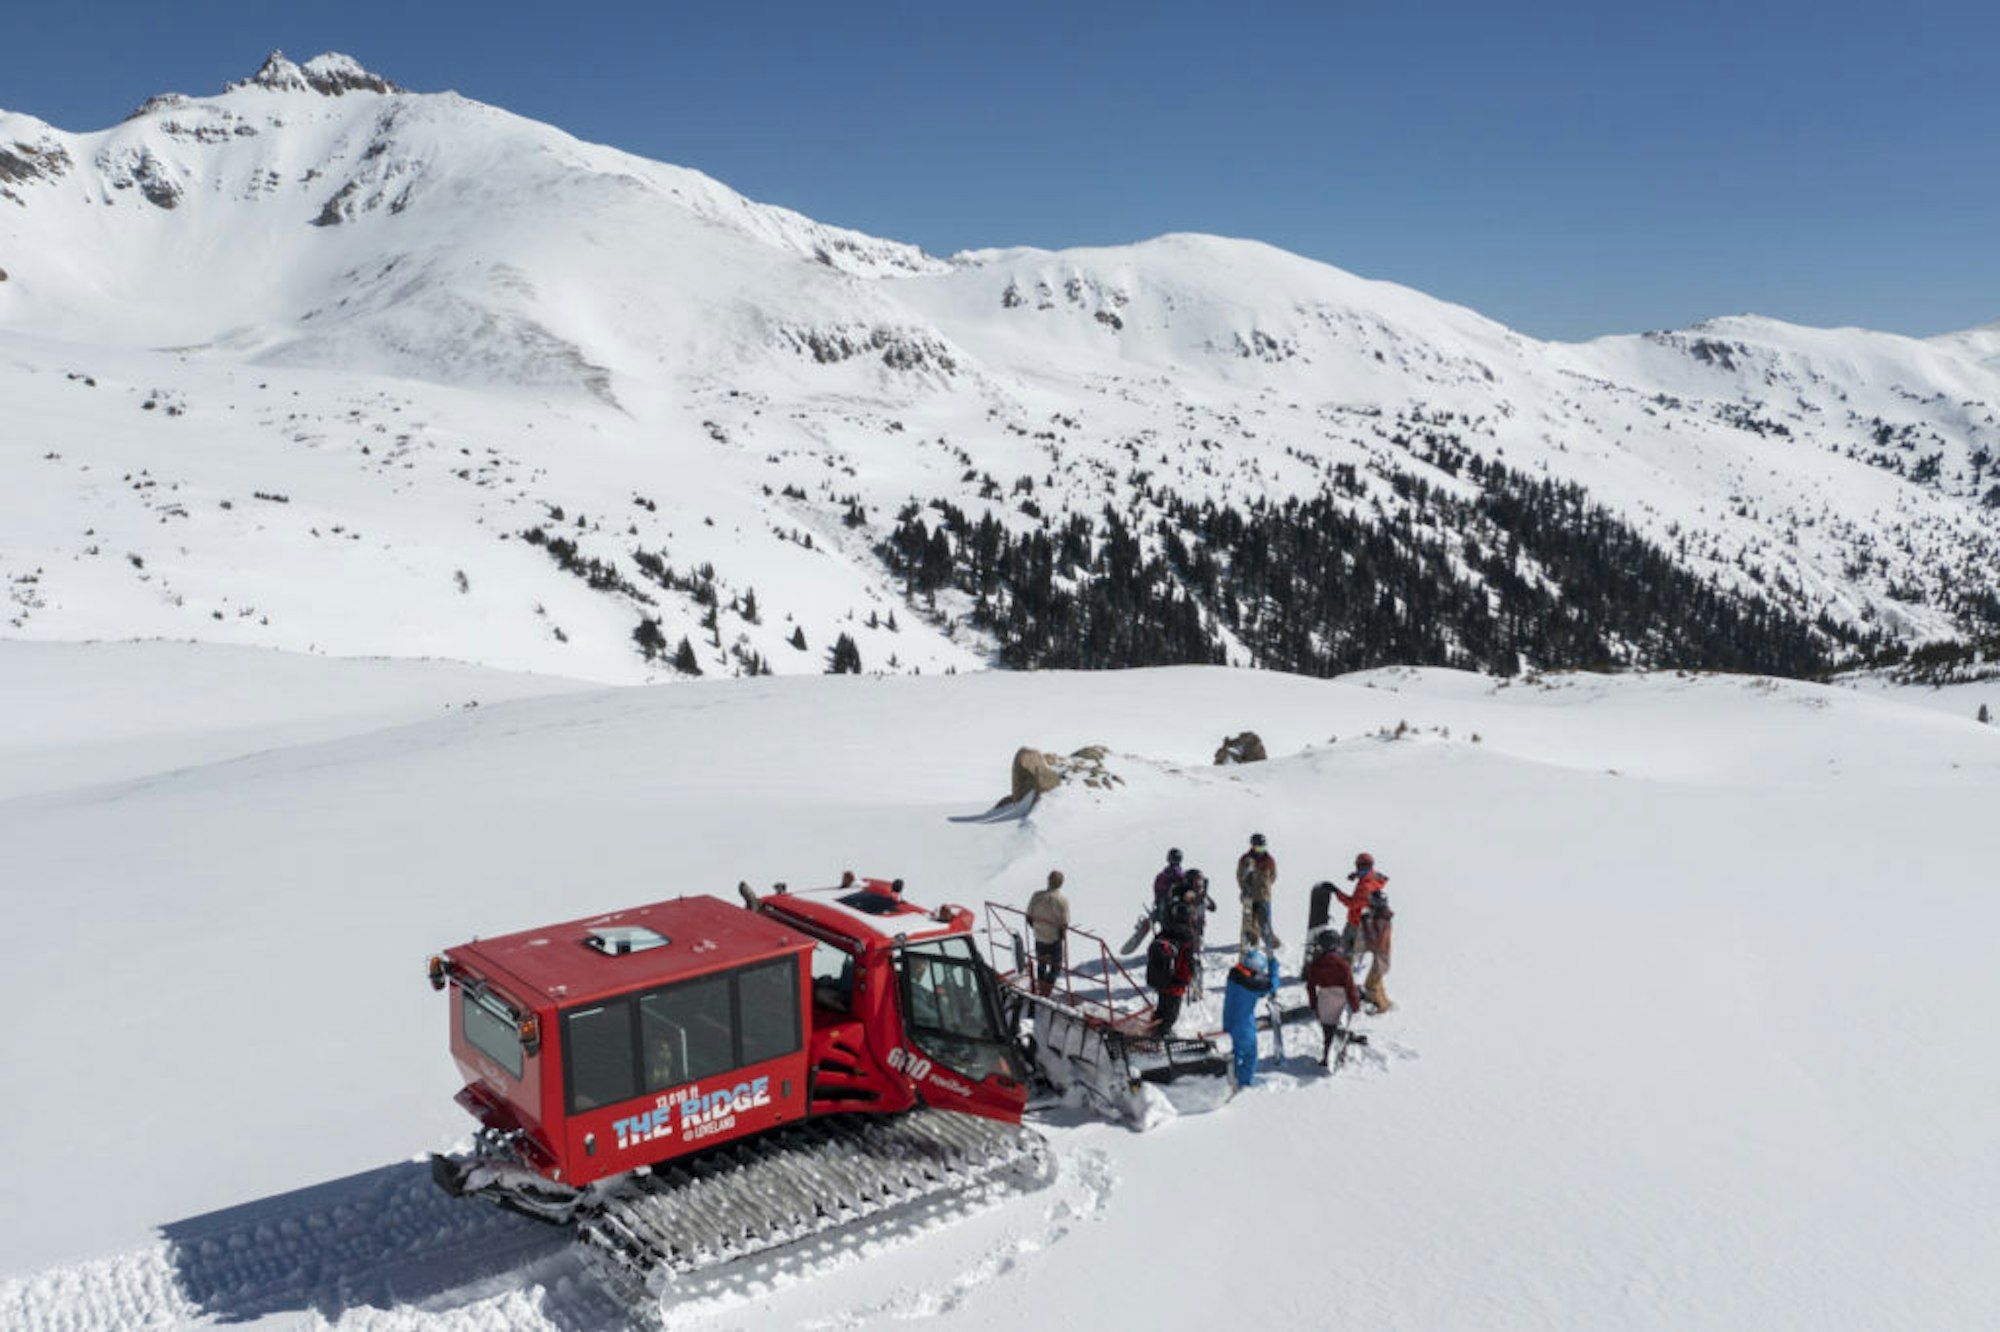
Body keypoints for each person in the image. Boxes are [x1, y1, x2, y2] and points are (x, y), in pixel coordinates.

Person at [1222, 947, 1279, 1090]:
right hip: (1243, 1024)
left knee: (1236, 1053)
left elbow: (1257, 990)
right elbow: (1270, 986)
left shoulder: (1236, 975)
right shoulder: (1250, 983)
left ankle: (1230, 1078)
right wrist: (1274, 970)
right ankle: (1243, 1084)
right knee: (1250, 1055)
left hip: (1229, 1020)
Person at [1303, 928, 1362, 1066]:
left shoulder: (1316, 965)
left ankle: (1326, 1056)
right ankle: (1340, 1056)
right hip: (1340, 1002)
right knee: (1340, 1032)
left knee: (1327, 1032)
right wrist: (1354, 1004)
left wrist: (1314, 1004)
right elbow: (1350, 987)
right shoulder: (1343, 965)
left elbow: (1310, 986)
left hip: (1324, 1002)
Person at [1332, 853, 1387, 958]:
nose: (1357, 868)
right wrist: (1356, 875)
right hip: (1367, 925)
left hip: (1357, 925)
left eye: (1358, 866)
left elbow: (1352, 904)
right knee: (1354, 954)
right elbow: (1373, 875)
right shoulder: (1374, 879)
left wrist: (1336, 891)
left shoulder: (1365, 886)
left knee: (1346, 953)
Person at [1145, 922, 1197, 1033]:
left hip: (1161, 980)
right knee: (1170, 1016)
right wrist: (1186, 979)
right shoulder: (1186, 937)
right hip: (1176, 983)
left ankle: (1152, 1031)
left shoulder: (1165, 933)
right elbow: (1187, 963)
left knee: (1161, 1010)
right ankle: (1161, 1035)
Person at [1026, 870, 1071, 997]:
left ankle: (1041, 987)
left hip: (1039, 937)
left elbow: (1028, 916)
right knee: (1056, 966)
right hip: (1054, 939)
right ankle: (1047, 989)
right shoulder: (1062, 900)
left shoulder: (1036, 896)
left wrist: (1037, 928)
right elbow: (1065, 923)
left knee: (1041, 964)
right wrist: (1060, 937)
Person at [1235, 833, 1280, 952]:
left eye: (1262, 847)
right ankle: (1251, 943)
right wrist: (1245, 888)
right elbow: (1239, 876)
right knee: (1249, 922)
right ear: (1252, 846)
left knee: (1264, 922)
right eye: (1258, 848)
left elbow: (1273, 876)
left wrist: (1265, 886)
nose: (1260, 850)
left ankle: (1271, 942)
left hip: (1263, 897)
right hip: (1248, 896)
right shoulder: (1245, 859)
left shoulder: (1269, 860)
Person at [1360, 888, 1395, 1013]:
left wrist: (1367, 923)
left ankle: (1381, 1006)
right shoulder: (1383, 917)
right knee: (1377, 980)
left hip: (1381, 955)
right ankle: (1383, 1001)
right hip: (1382, 954)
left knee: (1371, 984)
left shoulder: (1380, 920)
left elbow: (1375, 940)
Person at [1151, 848, 1186, 922]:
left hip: (1175, 897)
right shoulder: (1167, 872)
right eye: (1174, 858)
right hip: (1165, 898)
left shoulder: (1179, 870)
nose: (1176, 860)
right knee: (1164, 907)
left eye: (1177, 858)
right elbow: (1159, 887)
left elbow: (1182, 878)